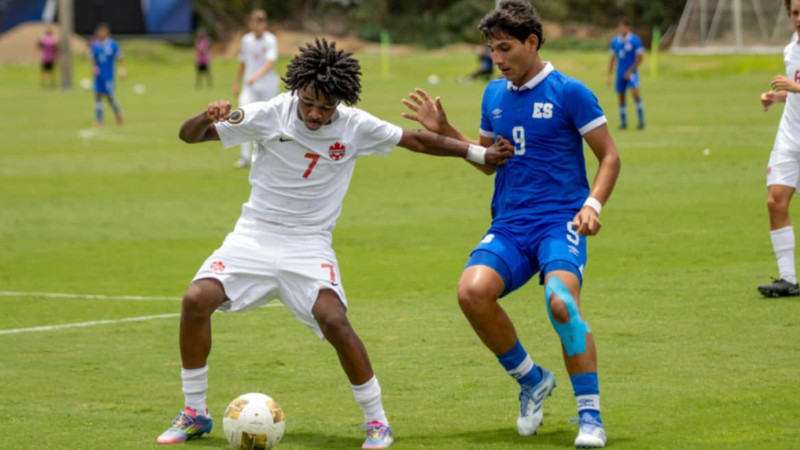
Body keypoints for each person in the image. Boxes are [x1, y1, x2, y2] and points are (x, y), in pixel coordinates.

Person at [155, 38, 513, 448]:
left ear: (341, 102)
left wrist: (480, 156)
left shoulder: (355, 125)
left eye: (326, 107)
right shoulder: (270, 113)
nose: (315, 114)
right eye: (308, 103)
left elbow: (416, 141)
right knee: (195, 300)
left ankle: (377, 422)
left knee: (336, 321)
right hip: (254, 235)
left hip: (309, 244)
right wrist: (206, 115)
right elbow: (189, 137)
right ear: (297, 91)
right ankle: (194, 412)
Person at [401, 1, 620, 448]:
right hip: (510, 224)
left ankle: (591, 417)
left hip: (561, 222)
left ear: (532, 42)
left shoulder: (569, 91)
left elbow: (610, 157)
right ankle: (532, 380)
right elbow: (488, 162)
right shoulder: (494, 95)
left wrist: (593, 205)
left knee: (561, 303)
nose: (497, 60)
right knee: (471, 292)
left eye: (505, 49)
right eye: (492, 50)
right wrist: (448, 132)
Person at [757, 0, 800, 298]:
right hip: (790, 137)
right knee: (775, 202)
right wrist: (778, 97)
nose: (799, 18)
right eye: (796, 12)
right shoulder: (791, 48)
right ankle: (788, 279)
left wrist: (796, 88)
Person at [232, 9, 279, 168]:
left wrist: (256, 76)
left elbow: (270, 62)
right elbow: (243, 62)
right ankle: (245, 157)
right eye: (253, 23)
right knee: (242, 116)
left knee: (267, 121)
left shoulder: (270, 40)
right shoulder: (246, 40)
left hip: (267, 86)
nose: (256, 26)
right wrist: (237, 82)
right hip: (249, 87)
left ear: (264, 24)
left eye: (259, 23)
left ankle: (266, 156)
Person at [607, 18, 645, 130]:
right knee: (621, 97)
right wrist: (609, 75)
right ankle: (623, 122)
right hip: (620, 73)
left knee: (635, 93)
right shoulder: (615, 41)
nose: (622, 29)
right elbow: (612, 59)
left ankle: (641, 121)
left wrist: (630, 71)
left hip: (631, 73)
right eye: (620, 27)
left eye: (624, 27)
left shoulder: (635, 40)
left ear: (628, 28)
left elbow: (640, 58)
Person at [89, 23, 125, 126]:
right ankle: (99, 120)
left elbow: (119, 57)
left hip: (108, 76)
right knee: (98, 95)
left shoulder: (113, 44)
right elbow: (93, 59)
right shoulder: (95, 45)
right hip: (98, 76)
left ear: (107, 33)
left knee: (109, 97)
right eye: (99, 32)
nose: (100, 34)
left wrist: (121, 69)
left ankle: (118, 112)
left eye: (102, 32)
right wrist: (94, 67)